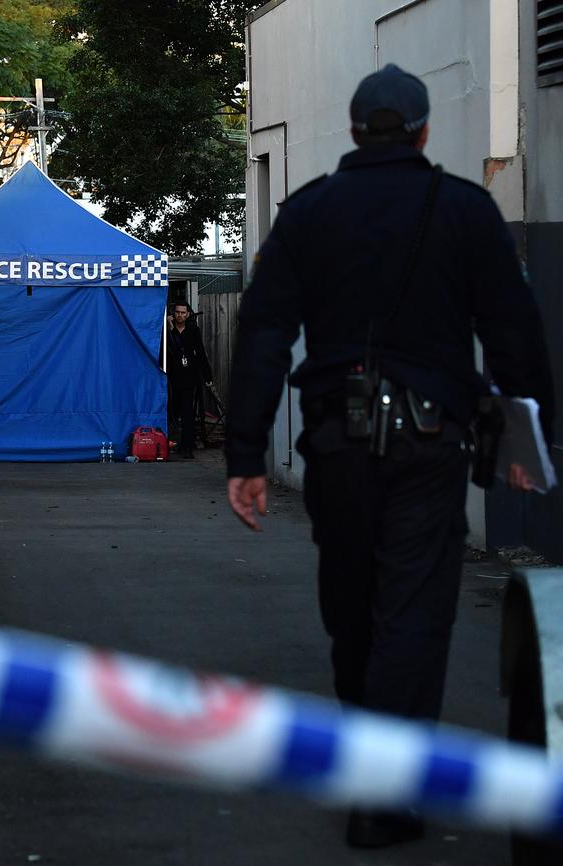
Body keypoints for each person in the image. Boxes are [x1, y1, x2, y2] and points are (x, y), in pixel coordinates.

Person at [224, 64, 555, 848]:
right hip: (431, 444)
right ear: (424, 130)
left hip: (336, 447)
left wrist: (244, 455)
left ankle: (368, 771)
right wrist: (524, 440)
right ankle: (386, 794)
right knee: (412, 615)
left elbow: (265, 334)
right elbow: (514, 332)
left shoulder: (306, 215)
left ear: (351, 128)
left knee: (351, 611)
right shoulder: (466, 213)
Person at [167, 302, 213, 458]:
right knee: (174, 411)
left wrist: (208, 376)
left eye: (183, 313)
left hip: (189, 376)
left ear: (187, 314)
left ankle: (188, 447)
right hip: (173, 377)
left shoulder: (193, 330)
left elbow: (200, 352)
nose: (180, 315)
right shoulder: (168, 330)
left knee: (188, 412)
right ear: (174, 314)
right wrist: (170, 328)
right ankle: (178, 444)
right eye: (177, 312)